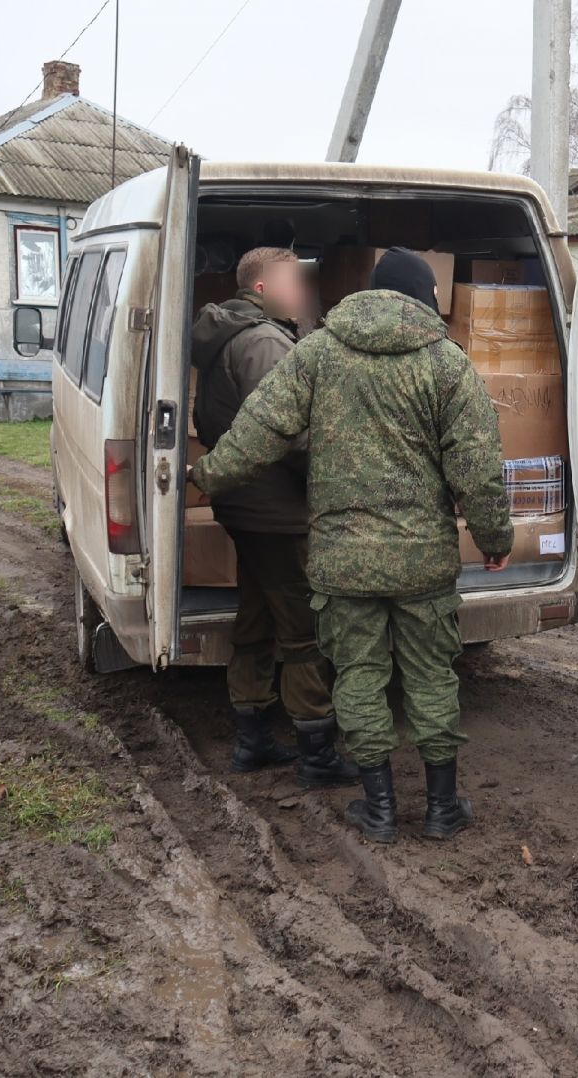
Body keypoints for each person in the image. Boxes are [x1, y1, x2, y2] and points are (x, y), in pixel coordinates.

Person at [191, 248, 513, 844]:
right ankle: (443, 807)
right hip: (422, 560)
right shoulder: (447, 363)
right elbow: (478, 467)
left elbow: (261, 428)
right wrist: (495, 538)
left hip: (343, 558)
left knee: (359, 677)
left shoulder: (317, 351)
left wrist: (205, 475)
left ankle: (380, 808)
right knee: (431, 676)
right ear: (425, 300)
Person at [190, 247, 357, 788]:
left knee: (256, 618)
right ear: (260, 286)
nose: (302, 290)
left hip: (246, 504)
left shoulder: (232, 332)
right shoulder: (263, 341)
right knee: (305, 629)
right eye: (292, 280)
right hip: (279, 510)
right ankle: (317, 752)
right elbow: (290, 430)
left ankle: (253, 738)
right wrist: (339, 478)